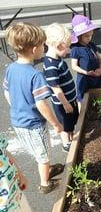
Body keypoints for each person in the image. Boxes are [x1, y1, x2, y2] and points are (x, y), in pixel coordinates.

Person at [3, 23, 64, 194]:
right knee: (43, 155)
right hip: (34, 124)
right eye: (43, 45)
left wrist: (18, 108)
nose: (45, 47)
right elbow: (41, 104)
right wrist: (56, 124)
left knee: (37, 150)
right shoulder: (35, 75)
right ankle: (45, 183)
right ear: (35, 49)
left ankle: (47, 168)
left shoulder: (12, 69)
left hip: (17, 121)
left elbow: (7, 92)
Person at [43, 23, 79, 153]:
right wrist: (65, 104)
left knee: (71, 122)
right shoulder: (51, 65)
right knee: (65, 124)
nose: (69, 50)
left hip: (70, 100)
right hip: (63, 103)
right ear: (58, 46)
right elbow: (55, 88)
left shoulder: (57, 59)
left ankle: (72, 138)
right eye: (67, 47)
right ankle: (66, 144)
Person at [70, 15, 101, 111]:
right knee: (82, 99)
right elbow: (74, 66)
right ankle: (82, 116)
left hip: (96, 76)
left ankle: (97, 112)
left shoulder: (92, 45)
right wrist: (85, 72)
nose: (89, 38)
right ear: (79, 36)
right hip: (84, 79)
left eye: (91, 35)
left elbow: (100, 59)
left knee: (97, 95)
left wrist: (100, 68)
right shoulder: (76, 49)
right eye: (86, 36)